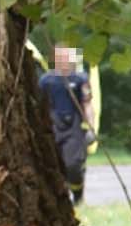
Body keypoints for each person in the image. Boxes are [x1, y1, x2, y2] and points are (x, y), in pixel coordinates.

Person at [37, 45, 91, 206]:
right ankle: (60, 199)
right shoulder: (46, 81)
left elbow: (87, 105)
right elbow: (40, 105)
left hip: (74, 126)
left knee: (72, 164)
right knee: (53, 164)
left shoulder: (80, 79)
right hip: (53, 125)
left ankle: (78, 192)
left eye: (67, 56)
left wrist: (90, 128)